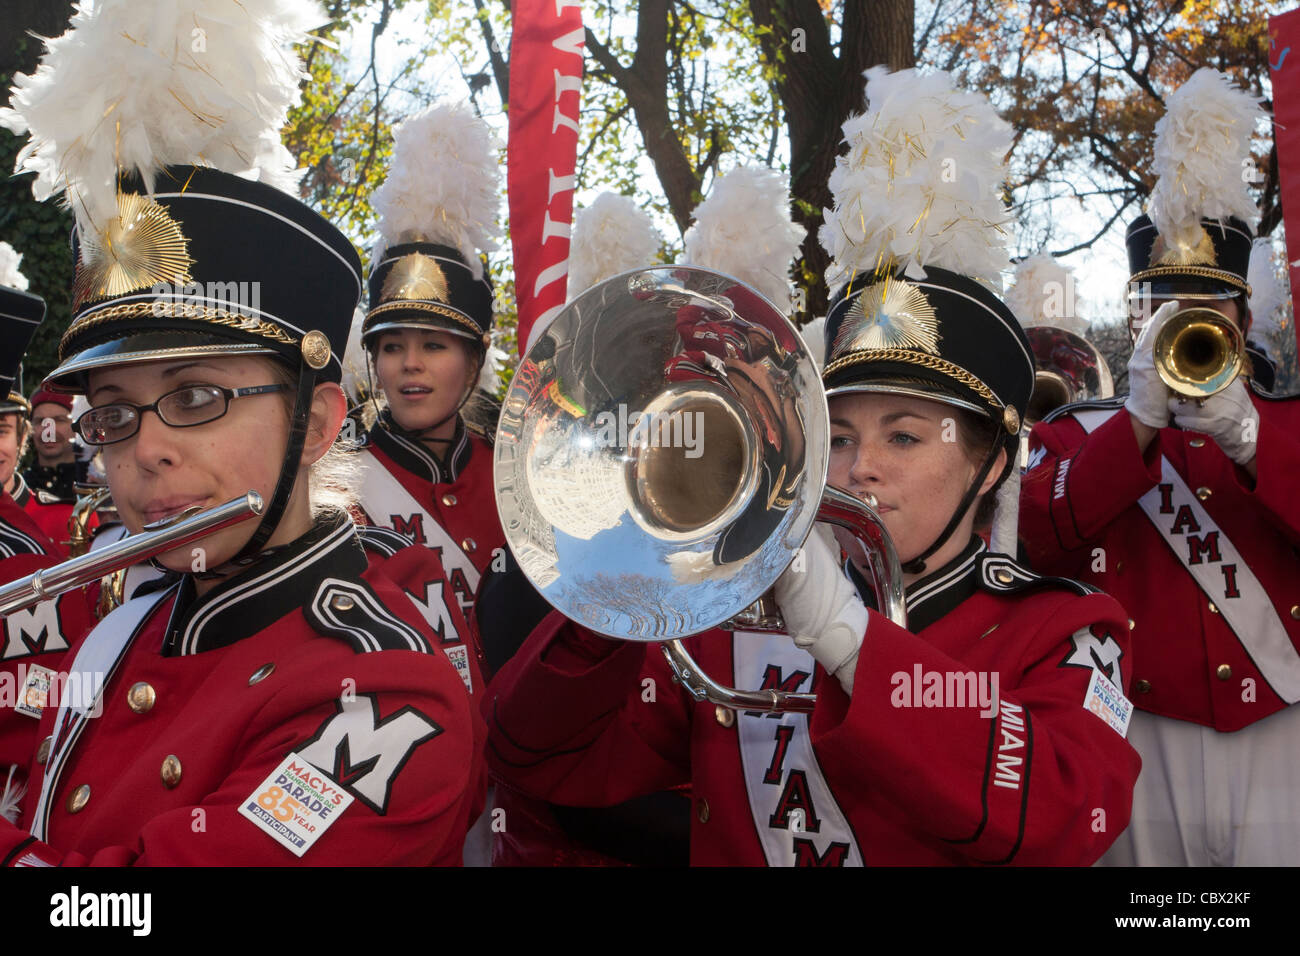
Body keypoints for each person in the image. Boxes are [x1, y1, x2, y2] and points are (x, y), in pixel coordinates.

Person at [483, 69, 1140, 865]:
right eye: (839, 438)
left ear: (992, 463)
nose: (859, 469)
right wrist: (624, 597)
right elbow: (537, 759)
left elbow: (1062, 816)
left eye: (903, 438)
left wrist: (852, 642)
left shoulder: (1060, 627)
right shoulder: (733, 624)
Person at [0, 3, 484, 865]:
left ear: (318, 424)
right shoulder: (132, 616)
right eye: (112, 412)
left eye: (194, 398)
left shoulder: (385, 697)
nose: (143, 450)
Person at [1019, 68, 1300, 866]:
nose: (1188, 321)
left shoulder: (1285, 423)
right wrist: (1138, 422)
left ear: (1244, 318)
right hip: (1135, 728)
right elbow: (1034, 540)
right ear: (1138, 315)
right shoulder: (1083, 431)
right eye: (1165, 304)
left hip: (1285, 722)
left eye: (1210, 306)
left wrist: (1249, 438)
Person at [353, 103, 506, 629]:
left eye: (435, 346)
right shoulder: (337, 488)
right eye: (392, 347)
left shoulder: (516, 478)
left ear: (474, 360)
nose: (409, 365)